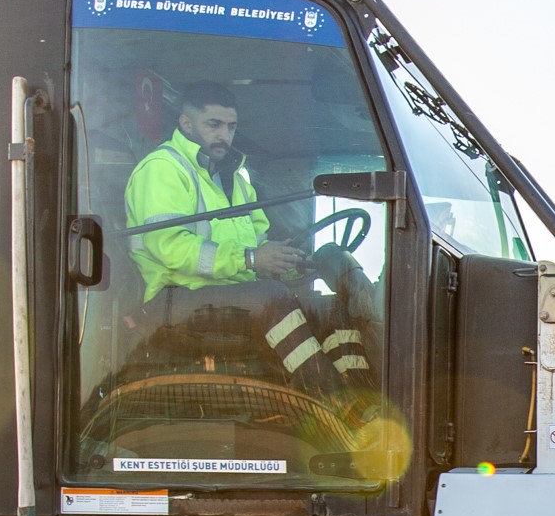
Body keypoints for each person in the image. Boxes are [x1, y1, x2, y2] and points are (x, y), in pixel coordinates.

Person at [123, 84, 371, 390]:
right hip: (172, 302)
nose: (224, 135)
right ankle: (332, 399)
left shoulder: (236, 177)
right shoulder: (162, 168)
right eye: (213, 125)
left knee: (328, 308)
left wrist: (287, 264)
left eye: (231, 127)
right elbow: (168, 246)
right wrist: (251, 259)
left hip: (231, 295)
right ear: (186, 124)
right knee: (271, 298)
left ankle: (362, 399)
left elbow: (257, 242)